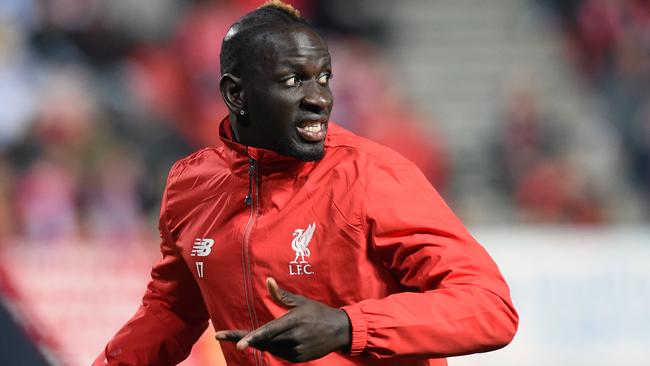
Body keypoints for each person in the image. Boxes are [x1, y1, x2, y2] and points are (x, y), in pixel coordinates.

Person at [95, 1, 518, 365]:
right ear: (236, 95)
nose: (320, 98)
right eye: (294, 80)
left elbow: (489, 306)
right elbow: (171, 310)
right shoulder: (191, 186)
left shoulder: (372, 177)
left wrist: (348, 326)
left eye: (324, 78)